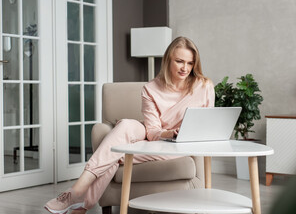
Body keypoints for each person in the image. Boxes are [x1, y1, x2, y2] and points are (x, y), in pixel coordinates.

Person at [44, 36, 215, 214]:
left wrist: (181, 135)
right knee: (125, 126)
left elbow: (207, 123)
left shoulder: (204, 86)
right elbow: (153, 132)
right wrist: (169, 133)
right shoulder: (151, 88)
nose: (185, 68)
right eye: (179, 61)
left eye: (190, 63)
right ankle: (78, 196)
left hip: (182, 146)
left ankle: (79, 200)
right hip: (158, 140)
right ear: (168, 60)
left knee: (114, 153)